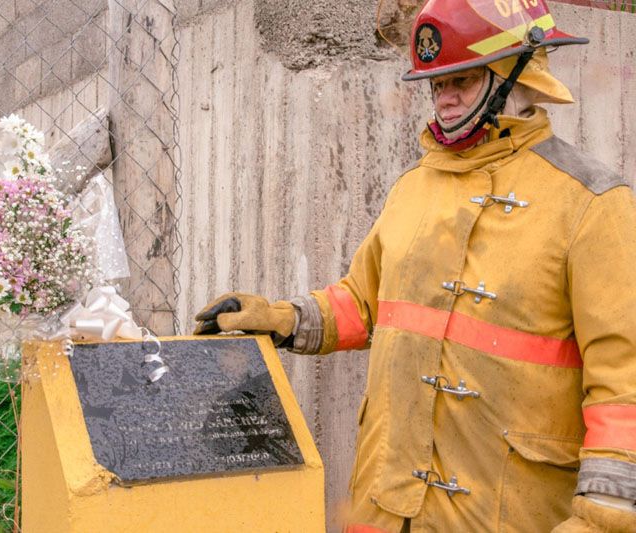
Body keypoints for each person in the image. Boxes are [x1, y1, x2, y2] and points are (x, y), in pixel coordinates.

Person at [193, 0, 636, 530]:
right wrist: (283, 319)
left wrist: (603, 515)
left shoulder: (593, 204)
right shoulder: (414, 187)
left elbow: (624, 378)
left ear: (518, 75)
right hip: (386, 504)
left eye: (463, 82)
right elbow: (364, 300)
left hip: (508, 513)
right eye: (435, 85)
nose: (444, 101)